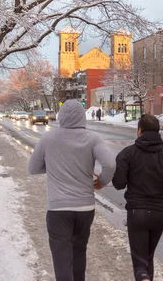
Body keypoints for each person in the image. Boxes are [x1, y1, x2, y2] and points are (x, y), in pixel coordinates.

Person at [29, 99, 115, 281]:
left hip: (58, 209)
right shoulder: (93, 139)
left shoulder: (48, 138)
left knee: (62, 260)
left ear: (61, 117)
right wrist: (102, 182)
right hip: (85, 208)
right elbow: (110, 164)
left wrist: (54, 166)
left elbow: (33, 168)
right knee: (79, 253)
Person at [113, 114, 163, 281]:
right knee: (148, 257)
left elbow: (119, 183)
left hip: (136, 212)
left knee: (139, 262)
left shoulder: (127, 153)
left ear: (139, 131)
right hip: (159, 212)